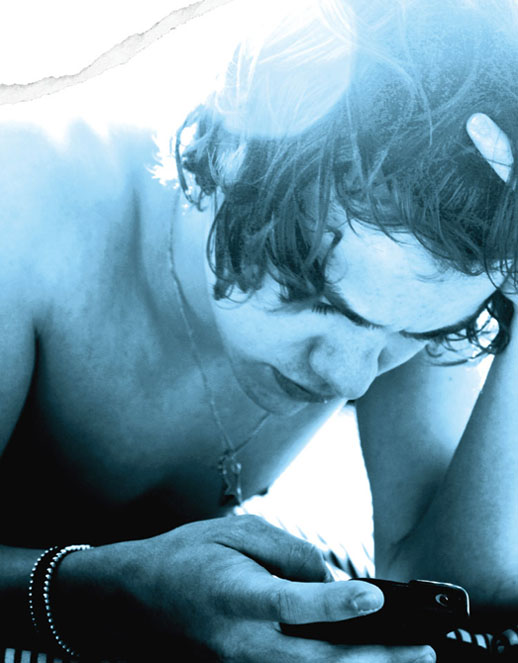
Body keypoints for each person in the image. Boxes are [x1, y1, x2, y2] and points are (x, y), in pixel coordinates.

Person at [1, 0, 518, 661]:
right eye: (329, 304)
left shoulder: (408, 286)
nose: (352, 378)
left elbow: (458, 583)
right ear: (235, 159)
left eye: (419, 333)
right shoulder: (23, 204)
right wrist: (102, 593)